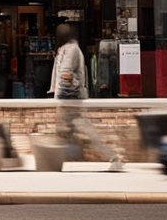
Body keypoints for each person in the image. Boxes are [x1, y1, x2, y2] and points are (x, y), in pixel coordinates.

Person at [51, 23, 123, 172]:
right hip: (69, 99)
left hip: (69, 100)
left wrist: (61, 98)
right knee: (67, 133)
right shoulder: (69, 49)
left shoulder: (70, 50)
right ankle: (57, 163)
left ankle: (113, 157)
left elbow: (66, 74)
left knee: (86, 132)